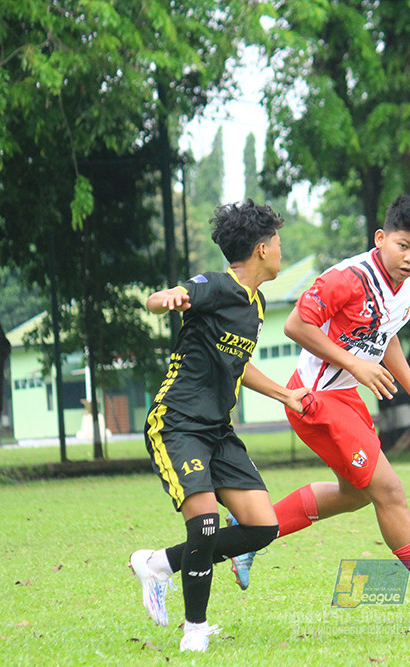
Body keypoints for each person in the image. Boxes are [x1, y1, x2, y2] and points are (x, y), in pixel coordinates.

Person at [231, 194, 410, 618]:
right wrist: (354, 364)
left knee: (356, 494)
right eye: (403, 245)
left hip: (343, 397)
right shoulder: (347, 278)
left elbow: (385, 331)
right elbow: (295, 325)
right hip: (314, 398)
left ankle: (250, 532)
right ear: (380, 238)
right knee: (389, 491)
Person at [128, 199, 310, 653]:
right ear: (263, 249)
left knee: (262, 527)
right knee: (206, 523)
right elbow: (162, 298)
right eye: (279, 242)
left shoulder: (256, 304)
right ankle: (195, 630)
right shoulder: (215, 285)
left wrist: (285, 394)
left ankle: (158, 565)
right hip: (177, 423)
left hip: (218, 431)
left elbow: (238, 364)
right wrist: (165, 300)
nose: (281, 250)